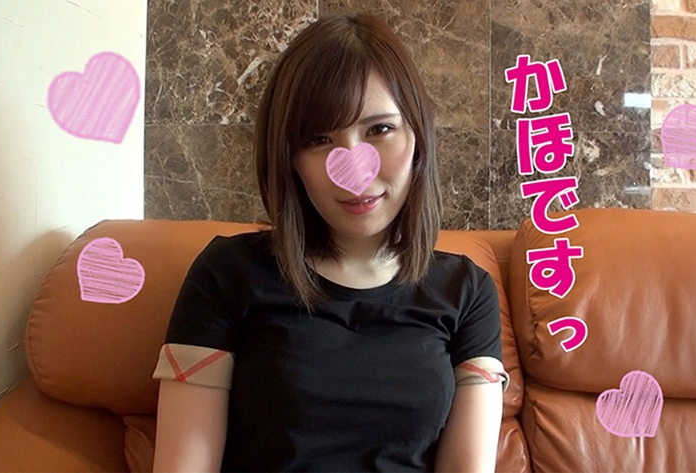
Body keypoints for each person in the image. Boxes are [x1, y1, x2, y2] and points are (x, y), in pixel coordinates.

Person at [151, 12, 508, 472]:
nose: (354, 169)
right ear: (290, 159)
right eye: (319, 139)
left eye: (379, 130)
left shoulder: (467, 291)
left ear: (417, 136)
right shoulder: (226, 273)